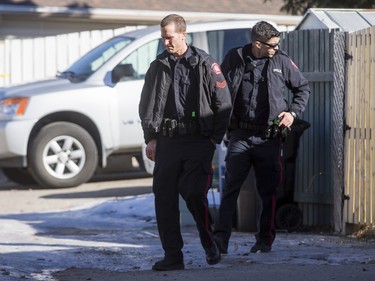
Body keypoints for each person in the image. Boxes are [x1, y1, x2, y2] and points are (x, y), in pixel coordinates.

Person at [138, 14, 232, 271]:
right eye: (163, 38)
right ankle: (173, 256)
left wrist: (213, 138)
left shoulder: (204, 63)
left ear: (183, 34)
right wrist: (151, 138)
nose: (166, 42)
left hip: (197, 142)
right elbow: (146, 105)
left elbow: (223, 103)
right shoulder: (157, 66)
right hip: (167, 142)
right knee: (164, 197)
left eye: (169, 37)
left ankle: (209, 242)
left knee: (193, 193)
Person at [213, 21, 310, 254]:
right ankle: (220, 241)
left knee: (268, 192)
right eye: (272, 45)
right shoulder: (234, 58)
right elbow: (217, 89)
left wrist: (292, 112)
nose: (276, 48)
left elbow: (303, 88)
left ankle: (264, 241)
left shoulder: (282, 61)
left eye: (278, 44)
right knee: (230, 190)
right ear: (257, 43)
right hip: (240, 135)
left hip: (269, 137)